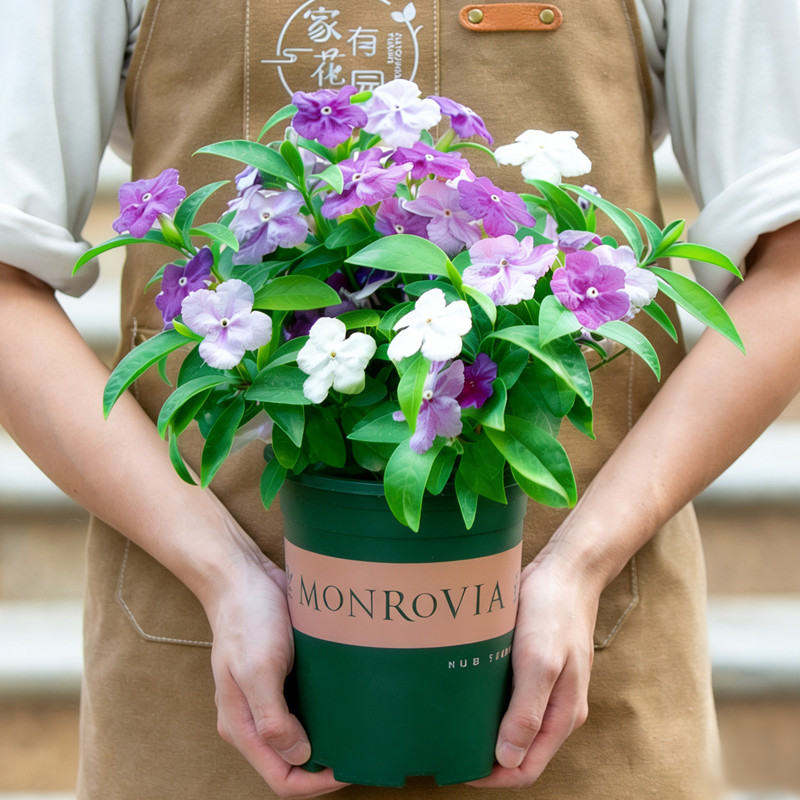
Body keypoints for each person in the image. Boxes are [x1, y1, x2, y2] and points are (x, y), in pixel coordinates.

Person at [1, 1, 799, 798]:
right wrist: (223, 573)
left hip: (586, 683)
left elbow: (790, 262)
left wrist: (581, 565)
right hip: (205, 680)